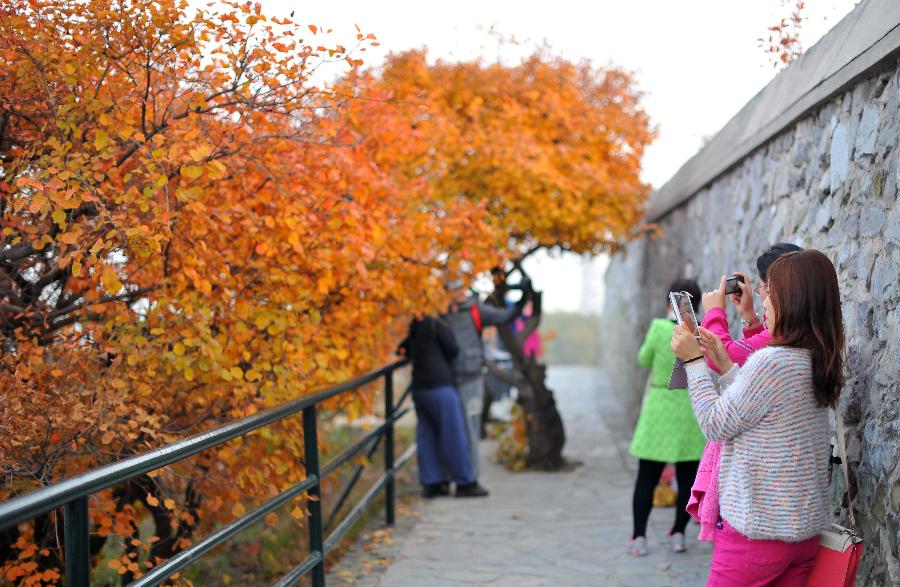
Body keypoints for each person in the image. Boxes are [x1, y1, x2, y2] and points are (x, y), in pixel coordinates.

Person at [672, 249, 843, 586]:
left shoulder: (772, 362)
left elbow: (715, 423)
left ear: (792, 301)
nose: (763, 300)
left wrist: (694, 362)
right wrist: (726, 368)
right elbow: (764, 417)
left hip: (755, 537)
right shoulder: (816, 357)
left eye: (770, 292)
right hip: (802, 538)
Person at [689, 243, 804, 541]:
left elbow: (726, 358)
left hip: (761, 514)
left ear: (785, 289)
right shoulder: (802, 336)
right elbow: (755, 355)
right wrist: (751, 317)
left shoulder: (781, 345)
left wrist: (714, 313)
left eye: (766, 286)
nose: (763, 294)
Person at [628, 278, 707, 556]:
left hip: (660, 406)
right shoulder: (700, 333)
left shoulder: (659, 328)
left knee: (646, 479)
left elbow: (642, 359)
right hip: (689, 407)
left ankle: (639, 538)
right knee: (688, 480)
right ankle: (678, 535)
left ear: (668, 301)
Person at [442, 279, 529, 480]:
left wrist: (523, 298)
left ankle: (470, 479)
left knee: (471, 429)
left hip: (470, 378)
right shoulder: (441, 312)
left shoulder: (475, 310)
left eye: (460, 288)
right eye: (453, 288)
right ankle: (450, 477)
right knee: (450, 430)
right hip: (447, 380)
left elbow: (506, 316)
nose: (458, 293)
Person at [398, 316, 489, 498]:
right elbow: (453, 350)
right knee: (453, 434)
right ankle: (465, 482)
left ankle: (432, 483)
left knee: (427, 435)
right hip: (440, 386)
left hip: (420, 388)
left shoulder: (416, 323)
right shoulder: (436, 323)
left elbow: (403, 349)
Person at [700, 243, 803, 373]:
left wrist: (713, 312)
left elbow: (721, 357)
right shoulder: (802, 328)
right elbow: (760, 352)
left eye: (765, 289)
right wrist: (748, 314)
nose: (764, 302)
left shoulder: (785, 332)